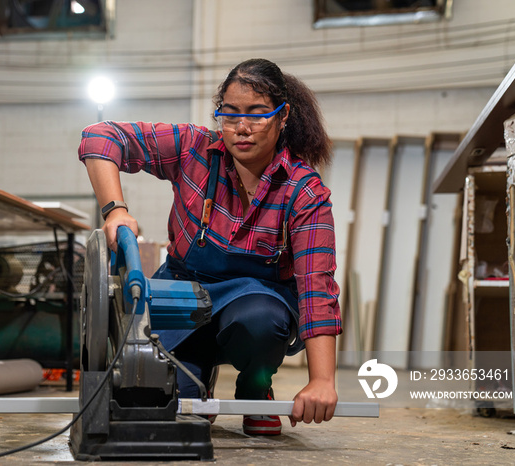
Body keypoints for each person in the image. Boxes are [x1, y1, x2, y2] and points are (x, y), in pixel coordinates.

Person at [78, 58, 342, 435]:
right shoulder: (193, 149)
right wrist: (115, 210)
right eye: (230, 115)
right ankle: (196, 376)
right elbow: (100, 136)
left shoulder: (304, 191)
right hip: (184, 297)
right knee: (179, 410)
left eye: (258, 114)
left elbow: (317, 287)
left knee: (262, 322)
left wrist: (322, 382)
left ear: (283, 117)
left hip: (254, 305)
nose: (242, 128)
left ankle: (255, 386)